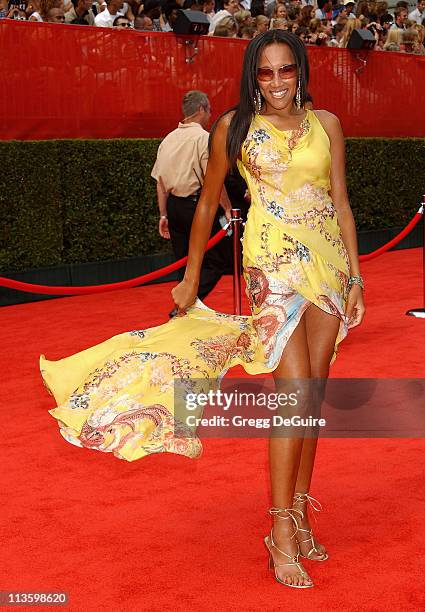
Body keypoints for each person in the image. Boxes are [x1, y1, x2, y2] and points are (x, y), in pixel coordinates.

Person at [41, 31, 365, 589]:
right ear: (252, 77)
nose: (278, 82)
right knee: (292, 400)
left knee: (312, 397)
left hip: (329, 267)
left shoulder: (327, 124)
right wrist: (191, 276)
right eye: (266, 73)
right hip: (273, 267)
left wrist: (356, 276)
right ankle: (280, 529)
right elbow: (210, 198)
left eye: (287, 70)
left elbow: (339, 198)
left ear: (300, 72)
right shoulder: (233, 127)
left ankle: (303, 508)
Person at [151, 90, 232, 316]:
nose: (211, 115)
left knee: (184, 263)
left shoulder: (168, 139)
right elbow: (212, 180)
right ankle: (182, 306)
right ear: (201, 110)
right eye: (210, 110)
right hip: (196, 207)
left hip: (175, 208)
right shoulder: (203, 138)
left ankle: (184, 310)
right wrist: (226, 207)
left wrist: (164, 214)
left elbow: (160, 182)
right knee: (216, 262)